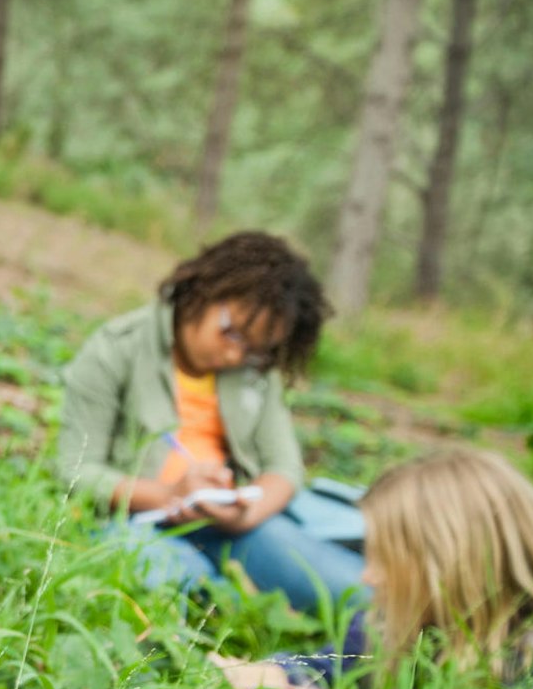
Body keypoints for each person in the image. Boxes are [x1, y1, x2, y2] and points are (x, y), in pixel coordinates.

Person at [58, 232, 366, 616]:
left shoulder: (255, 371)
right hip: (139, 522)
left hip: (233, 526)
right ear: (204, 291)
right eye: (232, 333)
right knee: (175, 595)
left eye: (256, 349)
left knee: (356, 591)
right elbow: (75, 471)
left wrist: (246, 512)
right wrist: (169, 495)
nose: (236, 354)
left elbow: (284, 469)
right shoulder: (115, 348)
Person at [212, 448, 533, 689]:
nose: (367, 576)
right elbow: (326, 666)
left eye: (386, 561)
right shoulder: (391, 625)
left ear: (451, 570)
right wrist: (276, 675)